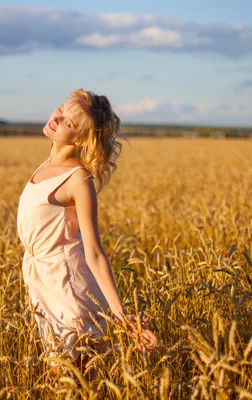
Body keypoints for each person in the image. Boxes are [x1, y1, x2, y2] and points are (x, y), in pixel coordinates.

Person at [16, 89, 159, 378]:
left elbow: (94, 252)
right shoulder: (47, 164)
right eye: (59, 109)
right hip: (42, 281)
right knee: (64, 381)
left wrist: (120, 315)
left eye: (67, 122)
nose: (55, 118)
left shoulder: (79, 180)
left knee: (71, 381)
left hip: (69, 287)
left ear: (81, 139)